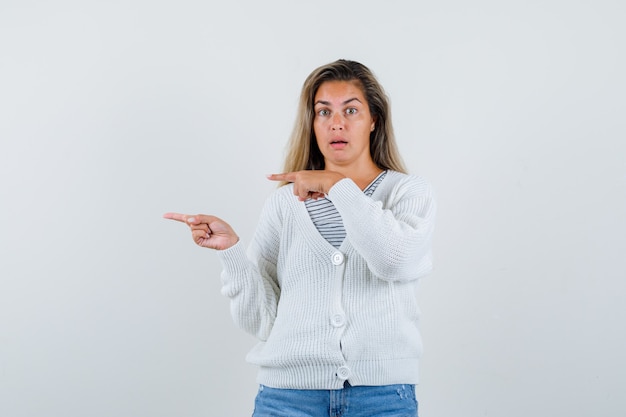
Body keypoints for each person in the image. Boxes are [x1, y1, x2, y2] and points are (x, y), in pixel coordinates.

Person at [164, 59, 436, 417]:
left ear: (374, 121)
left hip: (382, 399)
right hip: (288, 399)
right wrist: (231, 252)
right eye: (323, 112)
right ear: (312, 123)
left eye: (350, 110)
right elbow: (259, 321)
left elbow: (395, 260)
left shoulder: (407, 192)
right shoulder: (284, 205)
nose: (336, 122)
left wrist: (338, 186)